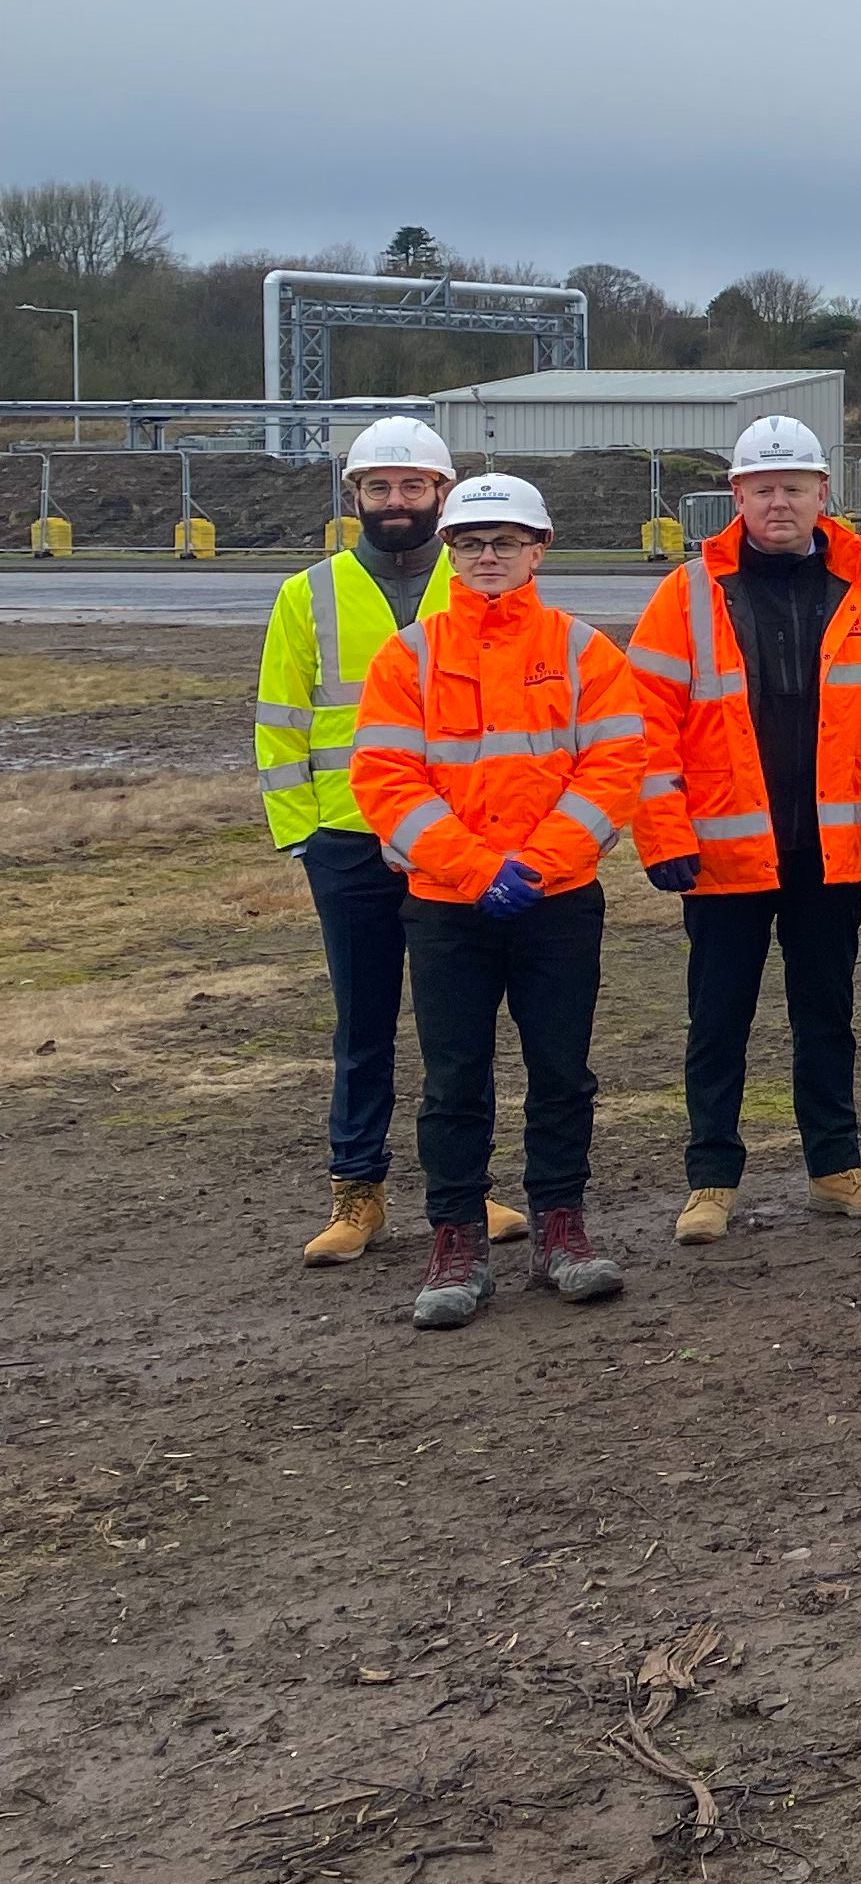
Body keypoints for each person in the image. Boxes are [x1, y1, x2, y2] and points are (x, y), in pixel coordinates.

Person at [628, 414, 861, 1245]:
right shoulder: (689, 593)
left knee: (826, 1013)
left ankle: (835, 1168)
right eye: (762, 487)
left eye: (794, 486)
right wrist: (664, 835)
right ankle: (710, 1180)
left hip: (829, 851)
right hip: (723, 852)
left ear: (822, 493)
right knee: (717, 1019)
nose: (778, 501)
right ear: (735, 496)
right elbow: (645, 724)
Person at [349, 472, 643, 1329]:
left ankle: (562, 1226)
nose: (487, 556)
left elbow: (614, 769)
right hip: (447, 904)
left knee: (561, 1072)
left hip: (557, 903)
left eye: (504, 542)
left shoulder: (586, 652)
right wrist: (479, 870)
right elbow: (386, 778)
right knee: (453, 1079)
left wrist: (539, 864)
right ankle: (457, 1237)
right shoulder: (409, 656)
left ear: (538, 549)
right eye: (471, 543)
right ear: (449, 551)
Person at [257, 414, 525, 1262]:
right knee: (362, 1024)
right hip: (348, 841)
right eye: (380, 486)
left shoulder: (480, 582)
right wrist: (304, 836)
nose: (396, 500)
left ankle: (468, 1190)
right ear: (355, 496)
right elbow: (279, 722)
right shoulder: (310, 593)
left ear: (441, 495)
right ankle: (357, 1193)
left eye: (413, 485)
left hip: (454, 842)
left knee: (459, 1027)